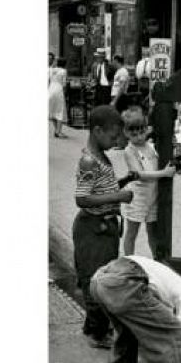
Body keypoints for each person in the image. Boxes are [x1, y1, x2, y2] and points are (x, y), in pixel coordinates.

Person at [73, 106, 136, 349]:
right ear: (98, 131)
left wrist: (125, 181)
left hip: (105, 228)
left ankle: (94, 327)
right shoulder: (89, 161)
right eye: (113, 137)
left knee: (101, 277)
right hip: (92, 229)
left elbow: (101, 188)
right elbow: (82, 198)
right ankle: (98, 333)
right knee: (95, 281)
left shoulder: (101, 156)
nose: (116, 142)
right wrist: (119, 197)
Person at [121, 110, 176, 257]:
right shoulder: (129, 151)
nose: (139, 137)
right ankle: (129, 260)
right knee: (132, 232)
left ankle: (156, 260)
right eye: (134, 134)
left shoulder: (151, 146)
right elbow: (139, 174)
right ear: (126, 133)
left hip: (153, 196)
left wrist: (172, 145)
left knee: (153, 232)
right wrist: (163, 173)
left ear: (146, 129)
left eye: (141, 132)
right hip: (137, 198)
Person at [49, 56, 68, 138]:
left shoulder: (51, 70)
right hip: (59, 91)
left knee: (52, 111)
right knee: (60, 111)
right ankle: (58, 132)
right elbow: (64, 84)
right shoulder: (64, 71)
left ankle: (56, 130)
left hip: (50, 90)